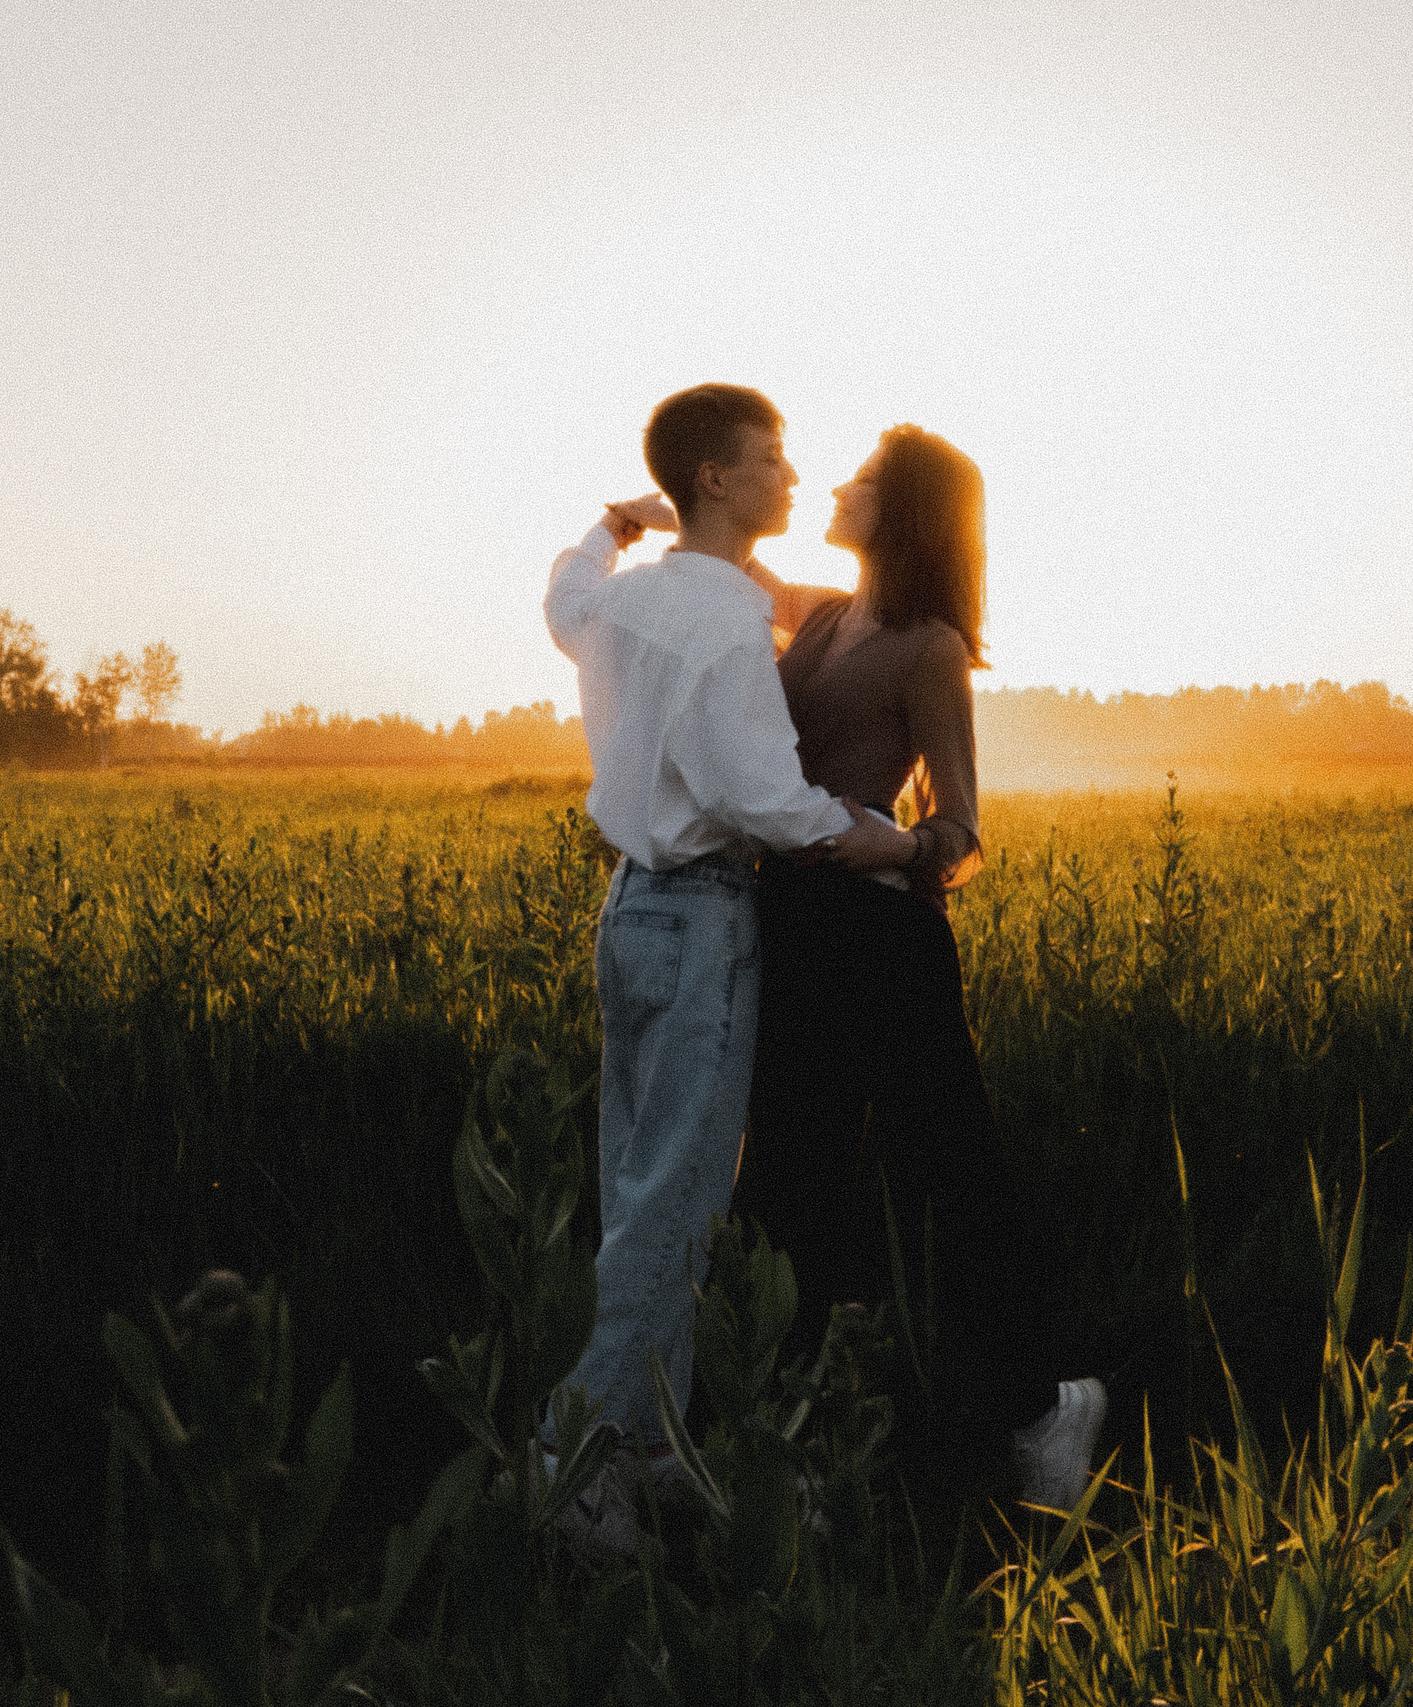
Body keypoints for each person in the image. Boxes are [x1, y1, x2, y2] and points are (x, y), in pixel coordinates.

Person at [540, 384, 911, 1547]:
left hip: (629, 913)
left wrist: (614, 523)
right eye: (770, 458)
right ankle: (578, 1463)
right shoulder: (725, 629)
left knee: (634, 1176)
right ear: (714, 480)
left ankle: (648, 1447)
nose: (790, 478)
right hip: (702, 916)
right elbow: (761, 795)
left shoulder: (627, 603)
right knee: (679, 1199)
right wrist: (885, 842)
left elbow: (564, 597)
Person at [727, 423, 1107, 1510]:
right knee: (790, 1186)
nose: (837, 486)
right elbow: (733, 570)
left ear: (899, 512)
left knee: (948, 1179)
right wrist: (654, 518)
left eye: (862, 479)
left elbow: (964, 834)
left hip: (884, 940)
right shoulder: (831, 614)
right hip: (794, 927)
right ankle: (787, 1446)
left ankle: (1043, 1408)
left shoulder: (929, 648)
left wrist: (886, 841)